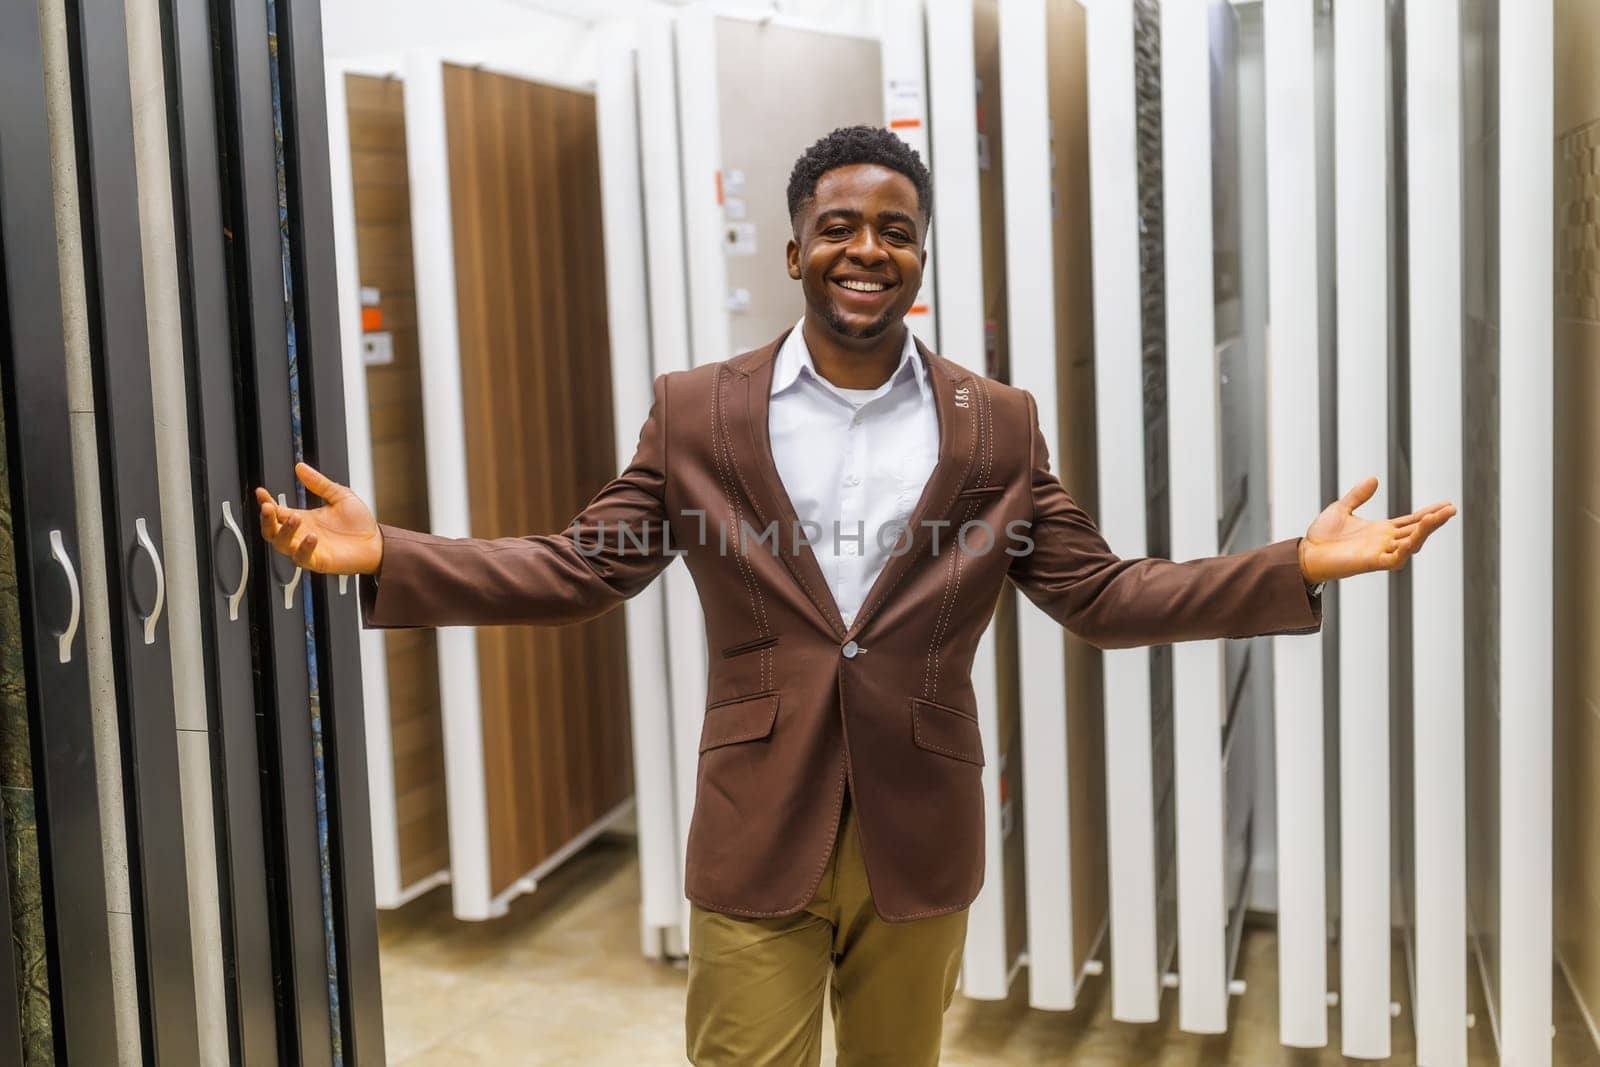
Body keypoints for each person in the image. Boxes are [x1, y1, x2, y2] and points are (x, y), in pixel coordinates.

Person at [258, 125, 1455, 1066]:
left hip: (918, 827)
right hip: (754, 818)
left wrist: (1290, 561)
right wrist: (389, 555)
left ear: (920, 255)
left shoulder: (997, 422)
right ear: (794, 251)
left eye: (896, 229)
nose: (866, 249)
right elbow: (584, 566)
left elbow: (1098, 593)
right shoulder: (698, 412)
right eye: (839, 226)